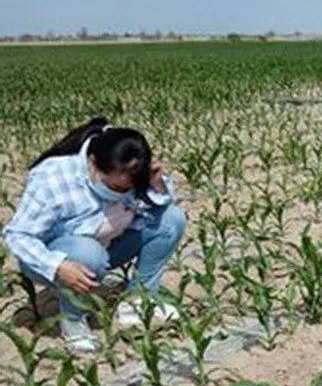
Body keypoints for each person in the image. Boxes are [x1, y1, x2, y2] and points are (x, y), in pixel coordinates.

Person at [3, 117, 186, 353]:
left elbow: (159, 206)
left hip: (107, 245)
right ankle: (73, 320)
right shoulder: (54, 177)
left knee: (172, 220)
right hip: (55, 256)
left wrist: (156, 184)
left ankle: (138, 302)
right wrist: (57, 266)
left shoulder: (132, 168)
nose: (123, 194)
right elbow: (18, 234)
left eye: (128, 189)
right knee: (88, 253)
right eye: (116, 188)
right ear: (92, 163)